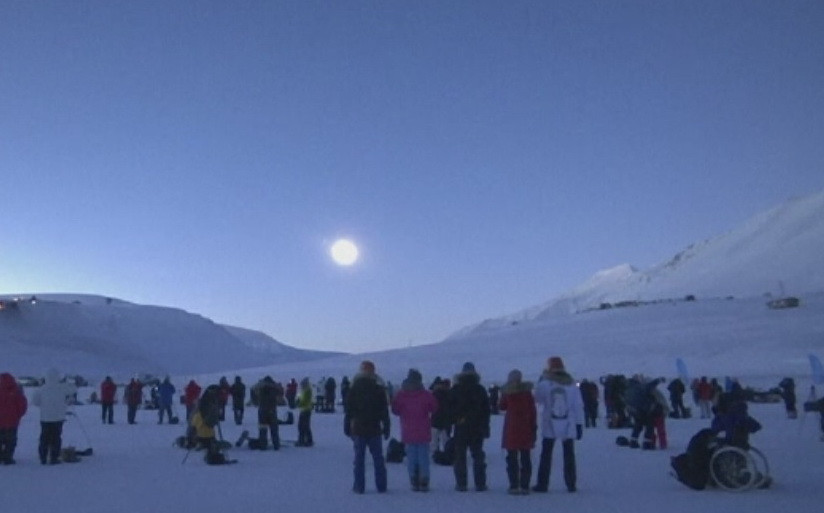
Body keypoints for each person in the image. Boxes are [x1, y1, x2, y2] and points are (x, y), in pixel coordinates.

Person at [533, 356, 584, 493]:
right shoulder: (571, 384)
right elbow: (578, 405)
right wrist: (579, 424)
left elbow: (538, 399)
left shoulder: (545, 384)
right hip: (569, 423)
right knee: (569, 455)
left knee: (546, 454)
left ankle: (542, 484)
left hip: (550, 422)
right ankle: (571, 483)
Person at [344, 360, 390, 494]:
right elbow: (384, 411)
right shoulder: (378, 388)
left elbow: (349, 410)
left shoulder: (354, 388)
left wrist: (347, 426)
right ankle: (381, 486)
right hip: (374, 428)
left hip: (358, 428)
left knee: (359, 459)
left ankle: (359, 486)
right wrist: (386, 426)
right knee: (378, 458)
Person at [391, 368, 438, 491]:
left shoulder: (402, 394)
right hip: (423, 430)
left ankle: (413, 478)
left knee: (411, 456)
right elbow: (434, 407)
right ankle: (424, 479)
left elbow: (395, 410)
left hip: (408, 430)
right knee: (423, 456)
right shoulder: (426, 394)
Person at [448, 361, 491, 492]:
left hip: (461, 427)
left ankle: (461, 484)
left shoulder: (456, 389)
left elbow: (450, 409)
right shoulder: (480, 389)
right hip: (477, 427)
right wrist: (485, 427)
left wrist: (454, 421)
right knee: (478, 455)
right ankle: (480, 483)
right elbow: (486, 411)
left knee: (460, 456)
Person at [499, 369, 536, 495]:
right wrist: (533, 427)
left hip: (511, 428)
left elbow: (502, 406)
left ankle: (514, 484)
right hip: (525, 427)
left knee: (512, 458)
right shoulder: (527, 393)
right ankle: (525, 485)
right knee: (525, 458)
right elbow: (532, 411)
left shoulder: (508, 393)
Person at [32, 368, 76, 464]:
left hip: (45, 418)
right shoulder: (62, 387)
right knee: (56, 438)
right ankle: (54, 458)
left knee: (44, 438)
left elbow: (35, 402)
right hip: (58, 418)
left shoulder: (41, 389)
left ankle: (43, 457)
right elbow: (73, 389)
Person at [190, 385, 226, 464]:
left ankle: (204, 445)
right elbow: (209, 418)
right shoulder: (209, 402)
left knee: (207, 439)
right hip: (206, 432)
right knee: (208, 440)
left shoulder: (207, 401)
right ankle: (206, 448)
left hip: (204, 431)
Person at [0, 372, 28, 464]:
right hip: (12, 422)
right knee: (10, 441)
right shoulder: (17, 391)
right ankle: (8, 458)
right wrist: (18, 415)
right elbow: (22, 405)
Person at [255, 376, 280, 450]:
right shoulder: (275, 389)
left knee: (263, 429)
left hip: (263, 412)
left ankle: (263, 445)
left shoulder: (261, 389)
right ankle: (276, 445)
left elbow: (254, 390)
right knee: (274, 430)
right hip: (272, 411)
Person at [429, 377, 451, 453]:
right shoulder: (448, 393)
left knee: (434, 439)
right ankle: (447, 452)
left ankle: (435, 453)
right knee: (445, 439)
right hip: (446, 419)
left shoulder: (433, 394)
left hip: (435, 419)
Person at [295, 377, 314, 447]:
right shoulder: (304, 391)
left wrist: (298, 404)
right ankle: (304, 439)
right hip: (304, 410)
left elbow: (305, 401)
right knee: (303, 426)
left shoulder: (307, 391)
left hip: (306, 410)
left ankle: (305, 440)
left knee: (304, 426)